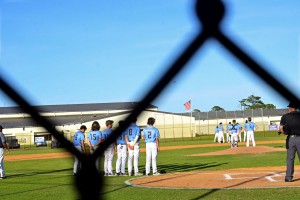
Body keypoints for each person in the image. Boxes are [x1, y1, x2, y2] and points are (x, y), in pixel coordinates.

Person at [279, 101, 300, 182]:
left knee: (290, 159)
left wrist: (285, 132)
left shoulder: (285, 116)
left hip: (290, 139)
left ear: (291, 108)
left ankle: (288, 177)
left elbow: (281, 128)